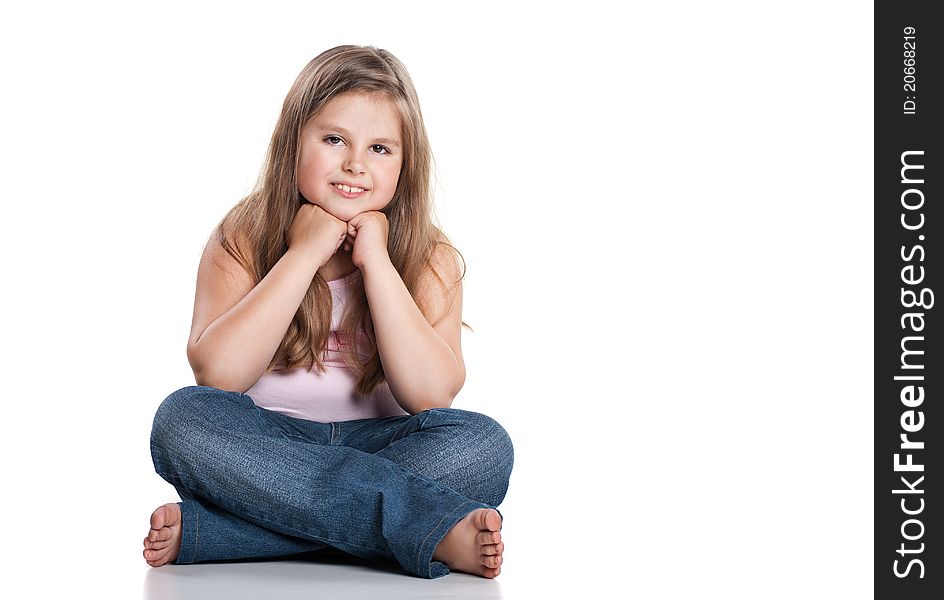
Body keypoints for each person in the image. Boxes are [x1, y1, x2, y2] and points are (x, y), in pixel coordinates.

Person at [142, 45, 514, 579]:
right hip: (266, 442)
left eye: (381, 148)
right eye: (334, 139)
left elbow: (432, 397)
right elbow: (217, 377)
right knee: (182, 421)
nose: (355, 164)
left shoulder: (430, 257)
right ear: (294, 141)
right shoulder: (243, 237)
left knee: (481, 447)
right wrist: (305, 252)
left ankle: (228, 534)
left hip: (383, 445)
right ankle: (423, 527)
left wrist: (378, 262)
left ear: (407, 165)